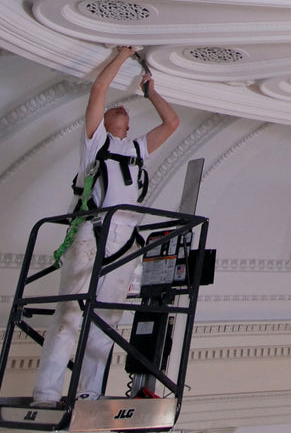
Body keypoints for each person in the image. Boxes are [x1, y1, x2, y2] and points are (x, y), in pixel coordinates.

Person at [32, 45, 181, 406]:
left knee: (107, 319)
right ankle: (46, 392)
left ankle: (89, 392)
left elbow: (172, 124)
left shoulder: (135, 150)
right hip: (93, 229)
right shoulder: (95, 143)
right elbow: (98, 91)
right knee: (70, 313)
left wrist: (151, 92)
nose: (119, 107)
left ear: (128, 127)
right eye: (116, 109)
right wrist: (121, 55)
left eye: (124, 111)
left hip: (126, 237)